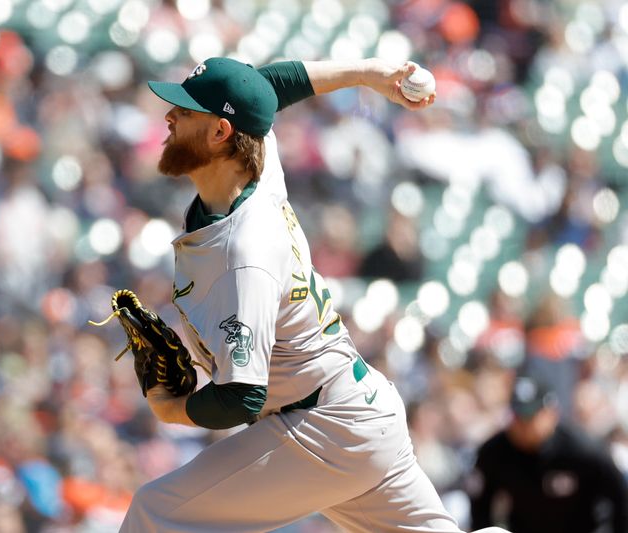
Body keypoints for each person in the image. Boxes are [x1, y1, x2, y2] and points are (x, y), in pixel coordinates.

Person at [120, 56, 505, 533]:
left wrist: (171, 409)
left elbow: (241, 397)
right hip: (357, 411)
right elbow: (269, 87)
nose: (169, 117)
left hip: (323, 426)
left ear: (220, 132)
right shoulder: (258, 166)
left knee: (154, 514)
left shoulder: (245, 252)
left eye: (185, 111)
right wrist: (369, 72)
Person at [469, 375, 628, 533]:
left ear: (551, 414)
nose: (523, 425)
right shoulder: (495, 452)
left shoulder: (582, 449)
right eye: (518, 417)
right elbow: (480, 506)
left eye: (530, 417)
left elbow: (619, 494)